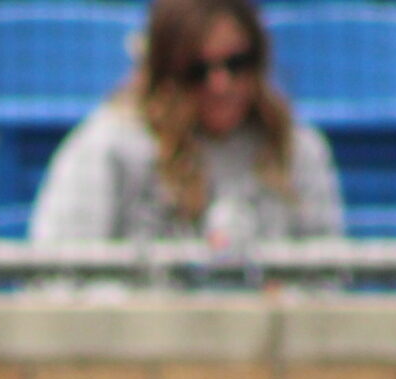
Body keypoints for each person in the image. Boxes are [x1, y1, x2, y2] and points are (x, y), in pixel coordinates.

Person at [30, 0, 344, 245]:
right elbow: (59, 281)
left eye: (236, 64)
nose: (221, 85)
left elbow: (329, 283)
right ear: (164, 74)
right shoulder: (107, 147)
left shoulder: (296, 147)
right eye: (198, 70)